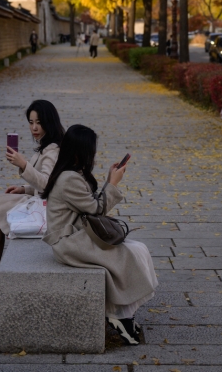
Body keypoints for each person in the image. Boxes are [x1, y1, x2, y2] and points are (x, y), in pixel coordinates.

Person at [41, 125, 158, 345]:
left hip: (78, 236)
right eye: (91, 150)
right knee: (131, 253)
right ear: (80, 151)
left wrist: (107, 181)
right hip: (69, 242)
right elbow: (97, 209)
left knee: (137, 249)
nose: (93, 155)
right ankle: (120, 316)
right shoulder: (69, 179)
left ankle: (124, 315)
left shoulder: (71, 173)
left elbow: (92, 206)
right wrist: (113, 184)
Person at [0, 100, 65, 297]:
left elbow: (49, 184)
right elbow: (46, 182)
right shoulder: (47, 146)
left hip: (50, 209)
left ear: (49, 122)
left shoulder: (53, 150)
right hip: (43, 202)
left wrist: (24, 165)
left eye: (38, 122)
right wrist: (23, 188)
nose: (34, 127)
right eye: (31, 122)